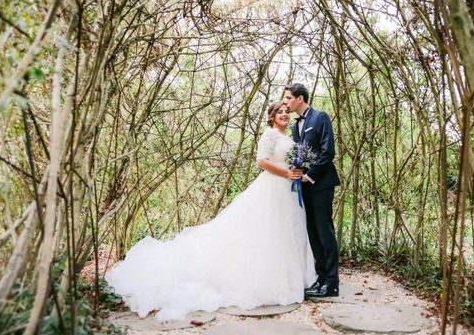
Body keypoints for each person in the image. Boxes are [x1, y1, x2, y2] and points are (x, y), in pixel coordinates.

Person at [105, 101, 316, 319]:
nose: (284, 115)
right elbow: (261, 161)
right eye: (279, 112)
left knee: (283, 234)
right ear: (272, 116)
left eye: (286, 112)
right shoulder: (269, 134)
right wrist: (287, 173)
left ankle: (288, 280)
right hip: (272, 187)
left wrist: (296, 169)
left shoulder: (289, 137)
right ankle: (270, 283)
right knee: (266, 232)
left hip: (288, 192)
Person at [284, 83, 341, 298]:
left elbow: (328, 152)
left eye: (289, 98)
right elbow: (300, 155)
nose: (287, 102)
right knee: (313, 233)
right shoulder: (295, 126)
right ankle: (320, 280)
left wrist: (310, 175)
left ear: (300, 98)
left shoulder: (320, 117)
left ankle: (332, 283)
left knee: (325, 232)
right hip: (304, 187)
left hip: (321, 184)